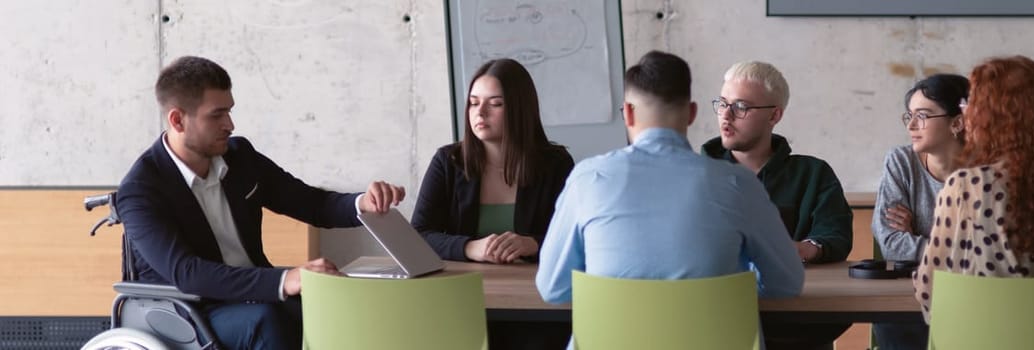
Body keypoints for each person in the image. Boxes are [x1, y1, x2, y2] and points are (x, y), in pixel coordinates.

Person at [116, 56, 406, 350]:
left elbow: (312, 203)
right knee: (267, 320)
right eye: (216, 115)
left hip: (254, 296)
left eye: (229, 111)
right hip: (190, 310)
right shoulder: (141, 190)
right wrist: (285, 279)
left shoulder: (240, 157)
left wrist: (362, 203)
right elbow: (187, 272)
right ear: (177, 120)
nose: (230, 124)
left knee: (344, 304)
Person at [535, 50, 803, 306]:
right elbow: (787, 283)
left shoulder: (587, 179)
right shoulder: (739, 185)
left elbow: (553, 288)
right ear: (692, 113)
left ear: (627, 113)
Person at [912, 55, 1034, 321]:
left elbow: (931, 290)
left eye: (970, 103)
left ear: (990, 116)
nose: (965, 111)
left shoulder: (967, 186)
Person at [412, 58, 574, 349]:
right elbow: (418, 235)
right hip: (459, 302)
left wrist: (532, 244)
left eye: (495, 104)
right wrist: (469, 247)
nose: (480, 112)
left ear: (519, 109)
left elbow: (573, 238)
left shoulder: (555, 164)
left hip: (536, 305)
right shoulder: (448, 162)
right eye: (474, 103)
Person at [700, 60, 853, 349]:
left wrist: (806, 247)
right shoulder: (695, 173)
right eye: (722, 103)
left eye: (741, 106)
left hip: (793, 311)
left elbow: (836, 235)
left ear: (774, 115)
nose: (726, 115)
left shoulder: (812, 173)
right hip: (711, 314)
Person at [870, 73, 968, 350]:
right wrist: (957, 247)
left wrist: (916, 238)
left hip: (974, 291)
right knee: (893, 320)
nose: (912, 125)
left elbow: (991, 248)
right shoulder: (901, 162)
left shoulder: (985, 174)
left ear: (957, 122)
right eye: (909, 116)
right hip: (911, 294)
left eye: (923, 115)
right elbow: (890, 244)